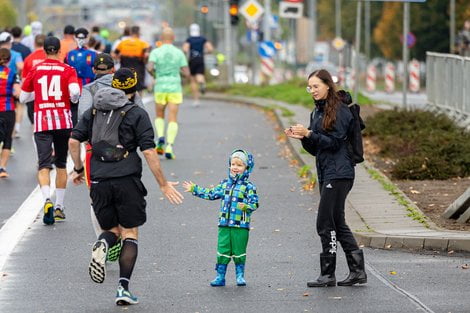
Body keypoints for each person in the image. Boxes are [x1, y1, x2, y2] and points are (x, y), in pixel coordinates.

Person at [68, 68, 184, 305]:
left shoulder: (93, 110)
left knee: (112, 230)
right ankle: (123, 288)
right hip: (126, 180)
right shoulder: (137, 113)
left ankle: (103, 243)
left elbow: (73, 141)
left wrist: (79, 169)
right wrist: (162, 184)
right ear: (134, 89)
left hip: (98, 181)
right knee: (129, 233)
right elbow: (149, 151)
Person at [284, 69, 367, 288]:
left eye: (316, 86)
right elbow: (317, 149)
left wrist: (310, 134)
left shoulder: (340, 110)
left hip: (340, 173)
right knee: (337, 222)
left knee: (324, 222)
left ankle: (328, 274)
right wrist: (303, 137)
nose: (312, 91)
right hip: (327, 171)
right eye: (309, 87)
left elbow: (335, 143)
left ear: (328, 85)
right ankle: (357, 272)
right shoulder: (318, 111)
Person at [20, 36, 80, 225]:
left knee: (44, 165)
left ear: (44, 51)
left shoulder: (35, 69)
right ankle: (59, 207)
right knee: (61, 164)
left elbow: (22, 97)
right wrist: (73, 100)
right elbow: (75, 92)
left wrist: (36, 95)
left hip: (42, 121)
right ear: (59, 51)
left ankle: (46, 199)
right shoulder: (68, 70)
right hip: (63, 121)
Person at [182, 149, 259, 287]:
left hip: (240, 226)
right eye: (233, 164)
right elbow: (211, 193)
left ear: (247, 168)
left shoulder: (249, 187)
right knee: (222, 250)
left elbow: (255, 203)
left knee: (239, 251)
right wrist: (195, 189)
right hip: (224, 224)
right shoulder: (225, 184)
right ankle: (220, 276)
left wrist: (246, 207)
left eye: (239, 165)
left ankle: (240, 275)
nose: (235, 167)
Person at [147, 27, 189, 160]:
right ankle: (169, 146)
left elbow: (149, 67)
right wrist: (178, 73)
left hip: (160, 86)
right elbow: (187, 73)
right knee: (173, 118)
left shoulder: (156, 52)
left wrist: (155, 75)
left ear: (161, 38)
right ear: (173, 38)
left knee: (159, 115)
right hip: (174, 86)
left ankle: (160, 138)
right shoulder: (179, 53)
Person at [66, 27, 97, 125]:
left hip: (88, 86)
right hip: (73, 86)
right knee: (74, 110)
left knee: (88, 110)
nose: (80, 40)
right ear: (75, 38)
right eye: (78, 37)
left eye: (83, 38)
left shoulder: (93, 54)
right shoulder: (69, 54)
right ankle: (75, 131)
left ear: (87, 38)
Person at [0, 48, 20, 178]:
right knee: (7, 139)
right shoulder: (12, 73)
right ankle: (2, 168)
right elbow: (17, 92)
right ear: (9, 60)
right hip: (8, 109)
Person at [182, 23, 213, 106]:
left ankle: (196, 100)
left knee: (192, 80)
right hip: (200, 59)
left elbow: (185, 49)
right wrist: (204, 52)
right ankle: (202, 82)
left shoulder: (189, 39)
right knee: (200, 75)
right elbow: (210, 49)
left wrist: (186, 54)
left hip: (192, 60)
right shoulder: (203, 39)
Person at [114, 26, 149, 92]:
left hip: (124, 69)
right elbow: (146, 56)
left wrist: (120, 58)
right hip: (138, 70)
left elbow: (115, 54)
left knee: (124, 89)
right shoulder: (143, 44)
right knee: (138, 90)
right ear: (139, 33)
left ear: (130, 33)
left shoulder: (122, 43)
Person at [22, 34, 47, 125]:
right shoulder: (49, 58)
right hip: (47, 94)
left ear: (34, 43)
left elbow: (24, 80)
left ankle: (35, 137)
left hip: (33, 94)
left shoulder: (28, 59)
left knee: (35, 123)